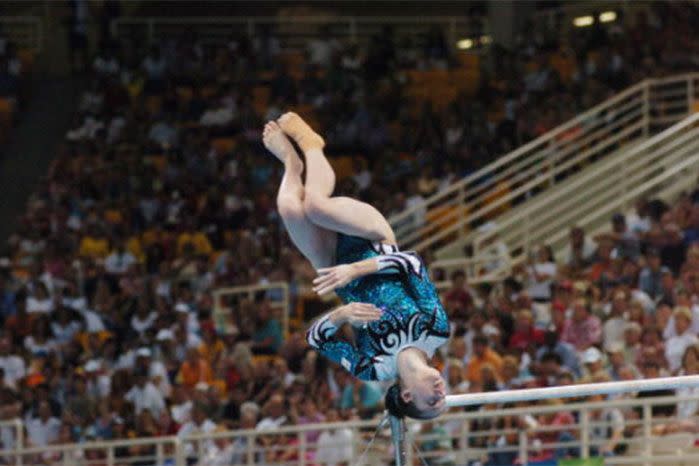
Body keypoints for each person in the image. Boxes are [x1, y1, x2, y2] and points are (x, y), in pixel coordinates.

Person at [262, 113, 449, 420]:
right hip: (373, 239)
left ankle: (292, 166)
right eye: (444, 399)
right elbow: (412, 263)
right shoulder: (435, 330)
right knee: (315, 205)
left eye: (432, 402)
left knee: (290, 209)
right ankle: (312, 146)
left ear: (406, 395)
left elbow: (315, 338)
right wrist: (358, 268)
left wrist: (341, 315)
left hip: (334, 264)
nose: (442, 394)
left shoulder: (370, 367)